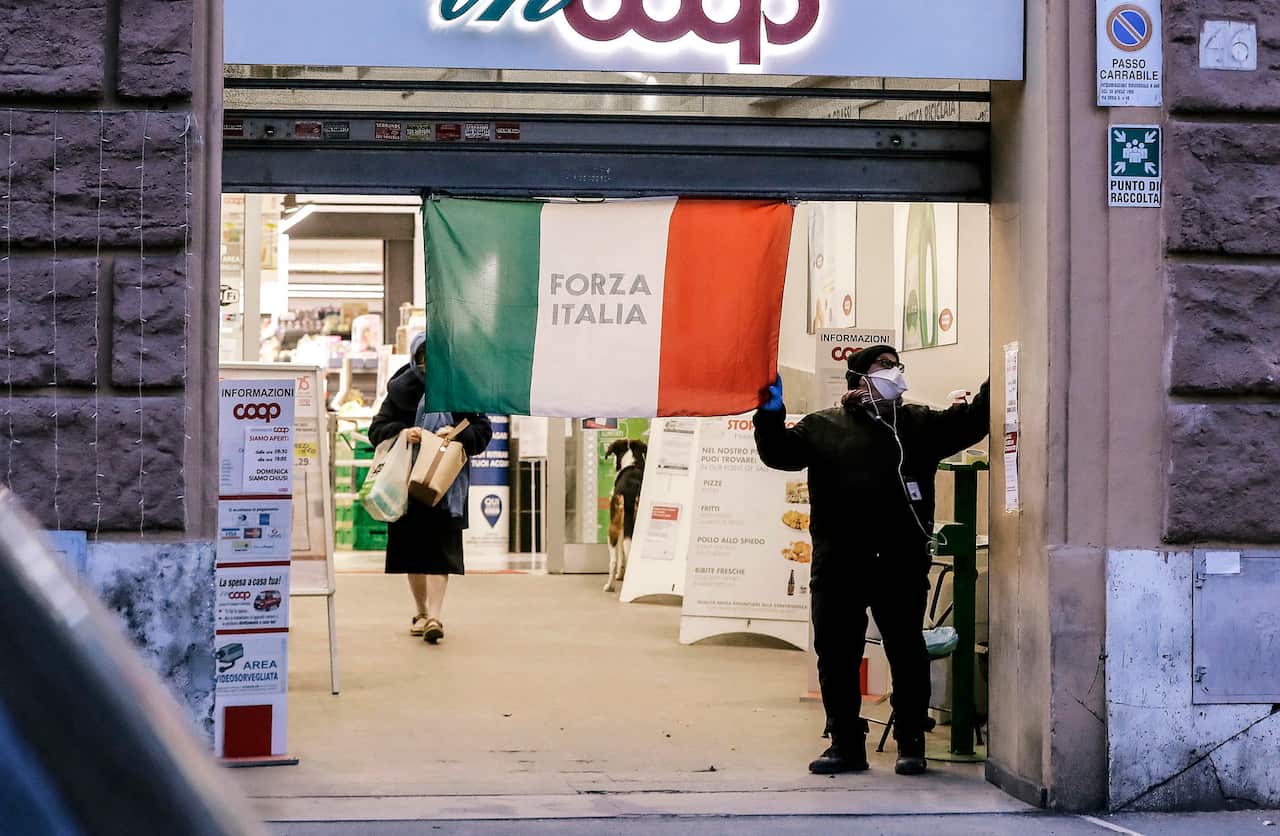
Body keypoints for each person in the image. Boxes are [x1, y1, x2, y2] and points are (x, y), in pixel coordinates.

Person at [753, 346, 989, 776]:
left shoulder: (918, 423)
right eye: (885, 367)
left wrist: (1002, 374)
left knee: (906, 650)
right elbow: (779, 455)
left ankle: (911, 743)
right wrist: (769, 415)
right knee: (837, 653)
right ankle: (846, 744)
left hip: (900, 560)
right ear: (859, 378)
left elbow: (972, 422)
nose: (895, 373)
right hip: (839, 562)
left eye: (898, 366)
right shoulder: (822, 426)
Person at [368, 333, 492, 645]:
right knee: (413, 552)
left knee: (441, 552)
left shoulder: (461, 388)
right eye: (424, 357)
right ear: (415, 358)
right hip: (406, 483)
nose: (429, 364)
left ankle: (435, 615)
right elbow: (376, 430)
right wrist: (402, 432)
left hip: (446, 485)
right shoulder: (400, 390)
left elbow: (482, 430)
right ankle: (421, 612)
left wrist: (458, 435)